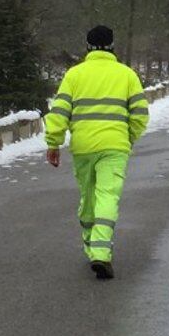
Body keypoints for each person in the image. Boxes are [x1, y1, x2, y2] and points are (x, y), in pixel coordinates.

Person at [44, 25, 148, 280]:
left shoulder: (74, 75)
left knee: (88, 197)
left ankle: (92, 246)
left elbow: (59, 112)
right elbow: (140, 114)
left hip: (83, 147)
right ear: (112, 45)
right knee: (107, 196)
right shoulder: (126, 75)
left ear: (87, 46)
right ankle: (101, 252)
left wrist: (53, 142)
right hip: (114, 146)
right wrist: (128, 137)